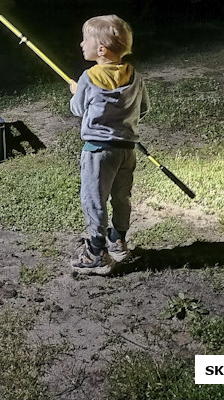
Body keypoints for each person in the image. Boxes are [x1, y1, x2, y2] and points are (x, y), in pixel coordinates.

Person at [69, 14, 150, 275]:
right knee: (121, 197)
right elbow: (144, 108)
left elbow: (78, 109)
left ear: (101, 50)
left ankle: (96, 253)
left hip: (98, 152)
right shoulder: (134, 76)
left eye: (86, 40)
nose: (82, 44)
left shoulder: (89, 77)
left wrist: (76, 91)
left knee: (94, 199)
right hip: (127, 151)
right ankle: (118, 239)